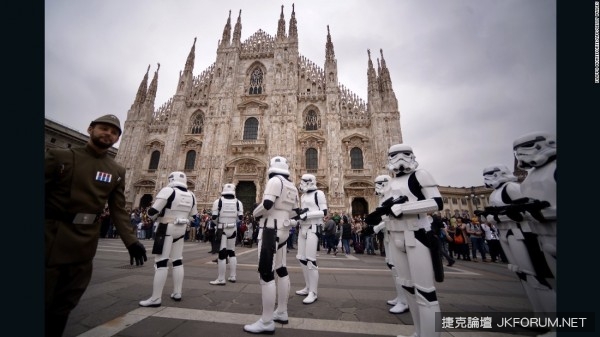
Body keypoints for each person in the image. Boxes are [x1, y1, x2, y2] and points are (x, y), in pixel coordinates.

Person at [45, 114, 148, 337]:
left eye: (113, 132)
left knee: (65, 304)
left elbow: (119, 209)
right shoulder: (60, 156)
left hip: (84, 243)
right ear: (90, 129)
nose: (108, 134)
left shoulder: (116, 170)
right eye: (103, 129)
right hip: (50, 238)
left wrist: (131, 241)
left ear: (118, 137)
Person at [365, 144, 444, 337]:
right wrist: (377, 219)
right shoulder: (390, 183)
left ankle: (432, 335)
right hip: (395, 236)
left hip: (417, 235)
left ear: (411, 156)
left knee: (425, 291)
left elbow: (437, 202)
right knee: (407, 286)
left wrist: (404, 209)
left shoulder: (421, 175)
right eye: (393, 156)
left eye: (404, 155)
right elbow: (388, 210)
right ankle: (418, 332)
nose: (399, 159)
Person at [478, 163, 555, 327]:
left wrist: (502, 215)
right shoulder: (495, 193)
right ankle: (538, 316)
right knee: (522, 274)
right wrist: (490, 216)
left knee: (534, 275)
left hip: (521, 233)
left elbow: (527, 211)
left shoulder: (512, 187)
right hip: (505, 233)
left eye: (492, 173)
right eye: (486, 175)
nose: (488, 178)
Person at [244, 156, 300, 334]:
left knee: (266, 274)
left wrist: (255, 212)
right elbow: (296, 213)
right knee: (281, 270)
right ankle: (281, 311)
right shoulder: (292, 186)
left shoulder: (275, 181)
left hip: (270, 231)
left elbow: (267, 204)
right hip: (283, 231)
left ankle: (266, 321)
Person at [139, 171, 198, 307]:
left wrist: (151, 215)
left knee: (161, 262)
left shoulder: (168, 190)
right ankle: (177, 292)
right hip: (181, 230)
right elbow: (194, 217)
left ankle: (155, 298)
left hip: (166, 228)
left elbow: (153, 212)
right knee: (177, 260)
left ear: (171, 179)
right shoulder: (192, 195)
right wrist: (183, 219)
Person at [371, 174, 409, 314]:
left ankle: (405, 301)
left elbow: (394, 216)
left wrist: (378, 226)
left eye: (380, 183)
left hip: (397, 234)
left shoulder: (395, 196)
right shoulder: (383, 198)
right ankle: (400, 297)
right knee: (392, 265)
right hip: (388, 235)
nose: (377, 187)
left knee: (400, 268)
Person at [294, 173, 327, 305]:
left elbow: (324, 212)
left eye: (303, 181)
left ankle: (313, 292)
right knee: (301, 259)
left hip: (313, 228)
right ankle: (307, 287)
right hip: (302, 228)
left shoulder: (318, 194)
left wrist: (307, 214)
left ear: (310, 182)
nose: (301, 184)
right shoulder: (303, 195)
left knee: (311, 260)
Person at [209, 183, 244, 285]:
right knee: (232, 252)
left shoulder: (218, 201)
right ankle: (233, 276)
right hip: (233, 229)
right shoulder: (238, 202)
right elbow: (240, 218)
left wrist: (220, 223)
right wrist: (232, 222)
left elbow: (214, 218)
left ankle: (221, 279)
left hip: (221, 229)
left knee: (222, 253)